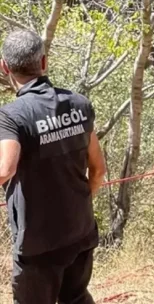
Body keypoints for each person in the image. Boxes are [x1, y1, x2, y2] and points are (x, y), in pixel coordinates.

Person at [0, 29, 106, 304]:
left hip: (38, 245)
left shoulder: (12, 116)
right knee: (77, 298)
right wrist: (80, 203)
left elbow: (4, 170)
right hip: (80, 232)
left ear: (4, 67)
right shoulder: (79, 104)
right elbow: (98, 169)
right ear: (44, 62)